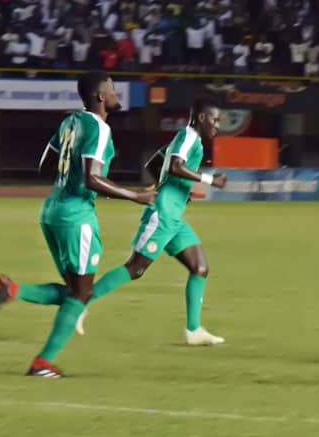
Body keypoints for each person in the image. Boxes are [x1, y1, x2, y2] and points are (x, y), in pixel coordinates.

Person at [0, 72, 155, 378]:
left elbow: (47, 163)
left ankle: (11, 289)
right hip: (76, 216)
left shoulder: (70, 122)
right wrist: (136, 195)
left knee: (76, 291)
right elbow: (91, 178)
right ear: (100, 96)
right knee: (81, 294)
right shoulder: (99, 129)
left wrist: (81, 183)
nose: (116, 93)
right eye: (112, 88)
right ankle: (42, 362)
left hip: (53, 208)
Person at [75, 99, 228, 345]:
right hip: (163, 215)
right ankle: (79, 305)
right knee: (135, 268)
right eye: (215, 119)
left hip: (174, 217)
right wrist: (209, 180)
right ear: (201, 118)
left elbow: (154, 164)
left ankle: (194, 330)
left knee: (200, 268)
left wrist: (177, 190)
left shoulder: (189, 139)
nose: (218, 125)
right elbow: (176, 166)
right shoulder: (188, 137)